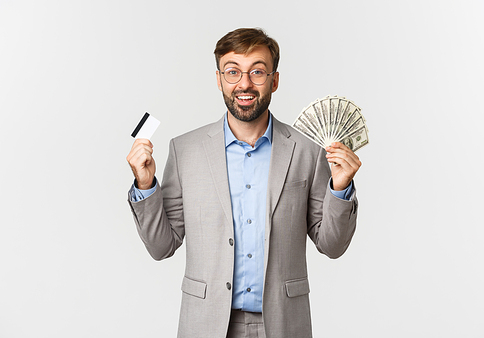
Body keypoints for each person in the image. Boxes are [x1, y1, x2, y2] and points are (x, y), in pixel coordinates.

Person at [126, 27, 361, 338]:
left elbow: (332, 246)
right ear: (219, 78)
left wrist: (340, 189)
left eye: (258, 72)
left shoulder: (308, 151)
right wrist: (145, 185)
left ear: (274, 80)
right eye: (233, 71)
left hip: (284, 323)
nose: (245, 84)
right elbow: (161, 246)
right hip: (206, 324)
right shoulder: (185, 151)